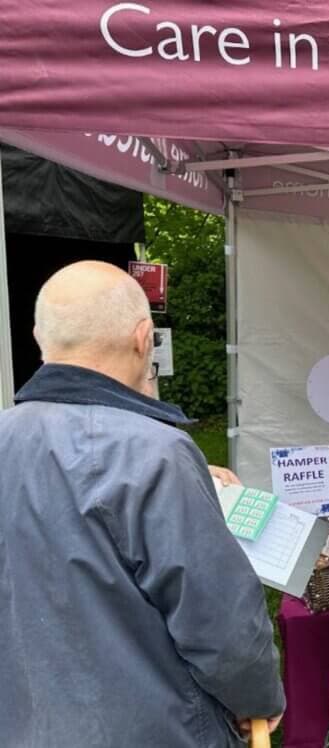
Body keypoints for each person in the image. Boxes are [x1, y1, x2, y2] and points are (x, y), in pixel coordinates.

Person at [0, 261, 284, 747]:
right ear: (143, 337)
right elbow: (222, 626)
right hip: (153, 727)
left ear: (37, 336)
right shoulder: (156, 453)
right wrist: (257, 700)